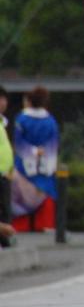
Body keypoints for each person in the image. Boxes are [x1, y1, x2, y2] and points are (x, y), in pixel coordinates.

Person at [11, 87, 59, 233]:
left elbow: (18, 143)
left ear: (29, 101)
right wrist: (43, 153)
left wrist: (32, 151)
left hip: (25, 164)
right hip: (46, 162)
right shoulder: (51, 121)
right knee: (45, 191)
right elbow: (54, 143)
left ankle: (22, 224)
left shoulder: (22, 119)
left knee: (19, 194)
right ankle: (45, 223)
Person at [0, 86, 13, 248]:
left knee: (5, 209)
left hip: (4, 173)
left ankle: (5, 240)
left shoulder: (3, 122)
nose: (3, 103)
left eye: (4, 99)